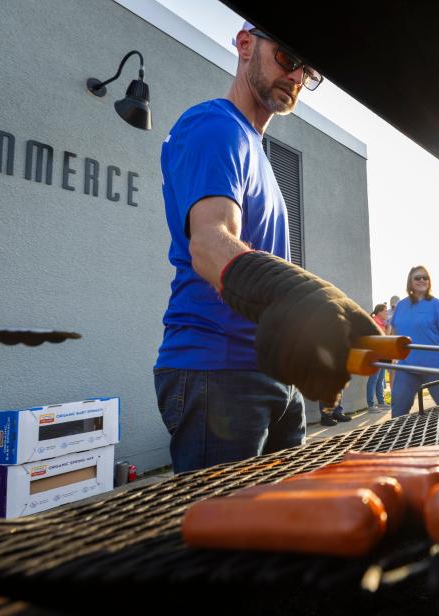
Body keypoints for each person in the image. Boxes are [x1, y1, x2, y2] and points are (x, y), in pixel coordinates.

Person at [153, 22, 380, 473]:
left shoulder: (257, 149)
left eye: (307, 72)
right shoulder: (214, 127)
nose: (297, 77)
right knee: (223, 539)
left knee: (279, 532)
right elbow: (210, 243)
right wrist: (295, 297)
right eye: (287, 58)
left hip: (275, 373)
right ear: (244, 46)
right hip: (217, 372)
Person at [389, 266, 439, 416]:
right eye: (417, 278)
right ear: (410, 283)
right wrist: (393, 369)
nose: (422, 280)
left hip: (436, 366)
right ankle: (400, 439)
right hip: (407, 367)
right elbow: (394, 337)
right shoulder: (401, 306)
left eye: (425, 277)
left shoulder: (436, 304)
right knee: (398, 412)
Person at [366, 304, 391, 412]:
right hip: (375, 355)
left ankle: (381, 402)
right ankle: (371, 405)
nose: (387, 313)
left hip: (382, 354)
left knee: (380, 379)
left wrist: (388, 328)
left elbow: (387, 338)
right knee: (373, 380)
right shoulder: (374, 322)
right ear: (379, 312)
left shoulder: (382, 323)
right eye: (385, 311)